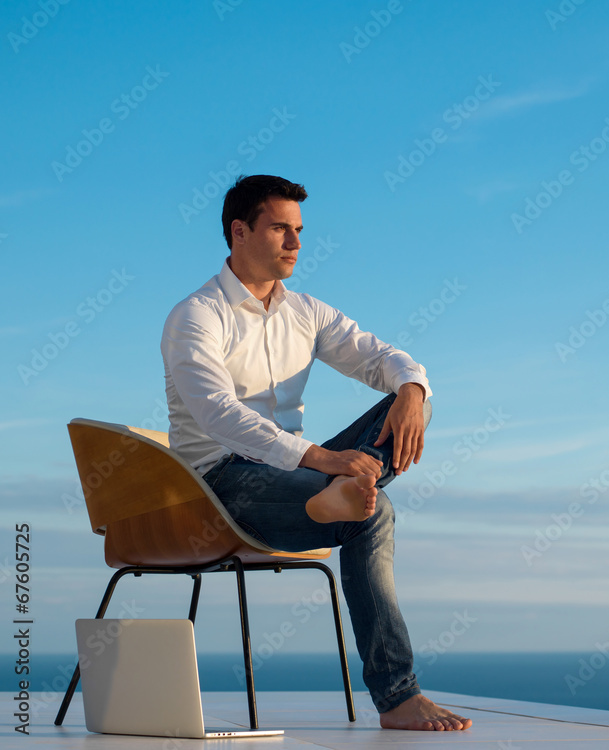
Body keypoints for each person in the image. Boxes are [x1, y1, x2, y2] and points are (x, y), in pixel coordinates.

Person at [160, 174, 471, 731]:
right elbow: (218, 416)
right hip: (220, 485)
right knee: (374, 515)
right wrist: (326, 462)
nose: (296, 243)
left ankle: (335, 500)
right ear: (239, 231)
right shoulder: (197, 316)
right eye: (280, 228)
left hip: (299, 473)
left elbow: (381, 356)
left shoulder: (305, 311)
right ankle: (398, 695)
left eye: (299, 230)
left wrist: (411, 391)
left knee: (409, 404)